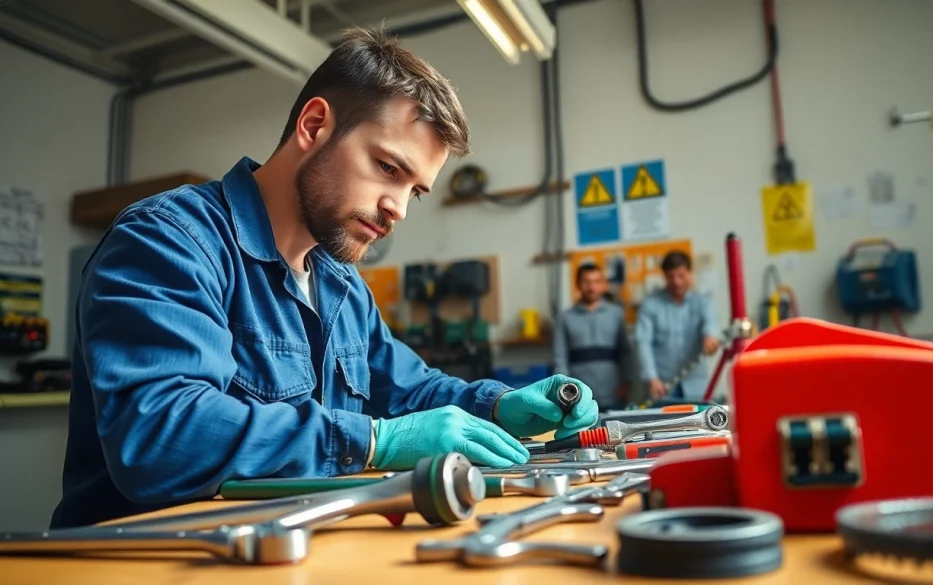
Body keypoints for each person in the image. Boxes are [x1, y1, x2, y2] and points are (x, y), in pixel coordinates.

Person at [50, 27, 598, 529]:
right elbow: (162, 438)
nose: (399, 209)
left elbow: (408, 391)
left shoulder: (339, 284)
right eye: (389, 168)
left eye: (416, 190)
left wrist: (500, 406)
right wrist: (374, 442)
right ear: (315, 126)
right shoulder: (170, 241)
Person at [634, 250, 720, 401]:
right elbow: (643, 343)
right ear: (664, 276)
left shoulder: (702, 302)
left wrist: (710, 338)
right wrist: (652, 378)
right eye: (670, 276)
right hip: (662, 387)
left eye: (681, 275)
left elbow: (710, 324)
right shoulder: (650, 305)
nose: (676, 281)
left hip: (696, 386)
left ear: (690, 273)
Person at [552, 264, 632, 411]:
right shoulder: (565, 318)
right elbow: (560, 358)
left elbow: (625, 353)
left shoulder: (616, 314)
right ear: (578, 284)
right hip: (578, 395)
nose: (591, 287)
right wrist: (564, 391)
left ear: (603, 284)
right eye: (586, 282)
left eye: (596, 281)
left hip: (612, 391)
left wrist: (626, 382)